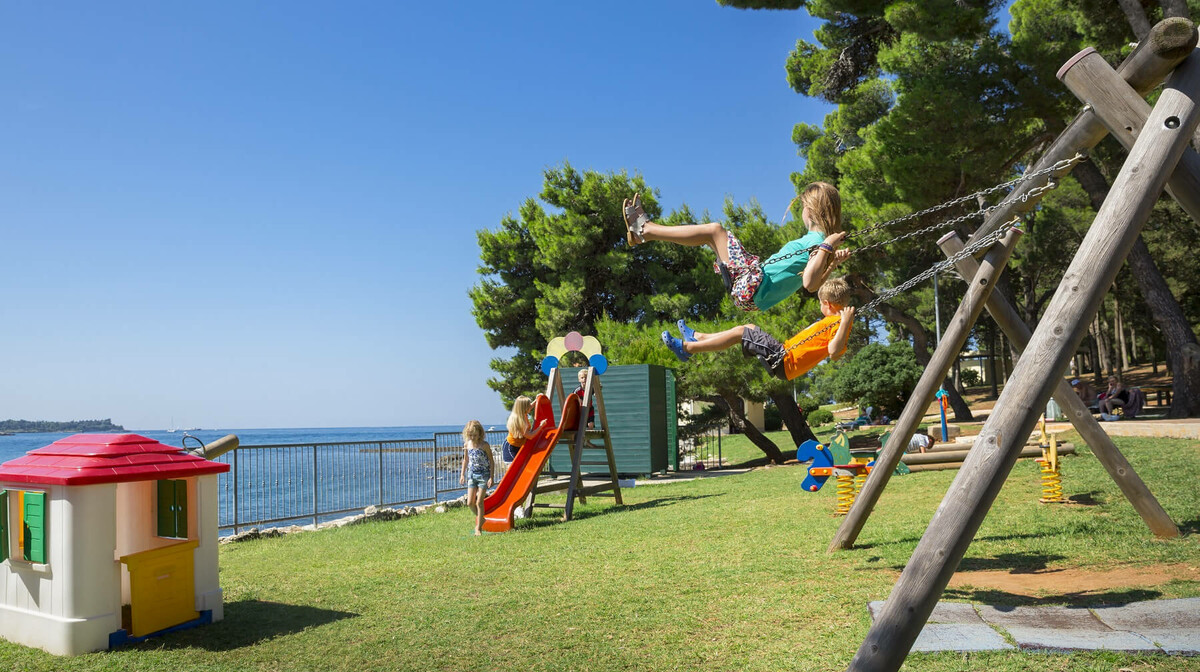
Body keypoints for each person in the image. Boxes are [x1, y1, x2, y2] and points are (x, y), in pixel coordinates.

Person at [622, 182, 851, 312]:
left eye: (802, 207)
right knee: (711, 236)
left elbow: (810, 284)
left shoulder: (819, 243)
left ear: (809, 210)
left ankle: (645, 230)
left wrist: (827, 249)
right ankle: (645, 232)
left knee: (715, 231)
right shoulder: (820, 244)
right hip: (752, 290)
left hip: (751, 287)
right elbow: (812, 282)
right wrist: (832, 262)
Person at [661, 277, 855, 381]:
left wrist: (845, 323)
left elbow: (834, 352)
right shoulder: (834, 321)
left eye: (820, 303)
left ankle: (686, 348)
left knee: (740, 333)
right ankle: (697, 337)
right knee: (748, 327)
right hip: (784, 354)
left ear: (828, 304)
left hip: (785, 360)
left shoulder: (839, 323)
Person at [458, 420, 494, 536]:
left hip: (483, 475)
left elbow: (491, 461)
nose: (473, 437)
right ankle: (481, 518)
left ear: (480, 433)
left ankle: (478, 528)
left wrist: (491, 477)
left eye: (475, 435)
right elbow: (466, 460)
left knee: (479, 502)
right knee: (470, 503)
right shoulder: (467, 445)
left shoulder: (484, 445)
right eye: (470, 435)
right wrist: (462, 474)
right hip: (471, 475)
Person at [501, 396, 547, 463]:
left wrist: (537, 399)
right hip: (511, 447)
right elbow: (530, 436)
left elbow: (531, 406)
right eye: (528, 405)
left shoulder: (522, 414)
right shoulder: (519, 420)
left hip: (518, 445)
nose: (530, 406)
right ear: (524, 408)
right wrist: (541, 426)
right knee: (514, 466)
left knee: (520, 464)